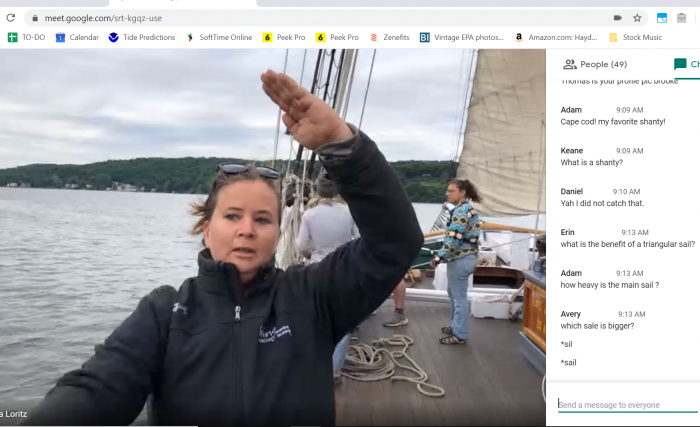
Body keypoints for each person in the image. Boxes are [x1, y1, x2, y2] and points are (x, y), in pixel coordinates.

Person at [21, 70, 423, 426]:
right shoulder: (164, 314)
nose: (247, 230)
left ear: (277, 233)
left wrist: (341, 144)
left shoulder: (313, 297)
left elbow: (395, 241)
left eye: (262, 220)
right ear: (206, 230)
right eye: (232, 216)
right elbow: (96, 389)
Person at [297, 172, 359, 385]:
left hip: (318, 269)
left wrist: (311, 254)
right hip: (344, 269)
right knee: (343, 320)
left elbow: (302, 247)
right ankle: (334, 371)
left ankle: (315, 364)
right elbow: (359, 239)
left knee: (317, 317)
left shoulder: (309, 215)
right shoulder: (349, 212)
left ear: (318, 190)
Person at [429, 179, 483, 345]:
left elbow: (454, 241)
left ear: (462, 192)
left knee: (459, 298)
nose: (448, 193)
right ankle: (455, 326)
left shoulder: (460, 212)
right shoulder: (465, 209)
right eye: (448, 190)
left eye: (452, 191)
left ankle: (460, 335)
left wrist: (439, 258)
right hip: (463, 258)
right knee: (453, 294)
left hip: (461, 259)